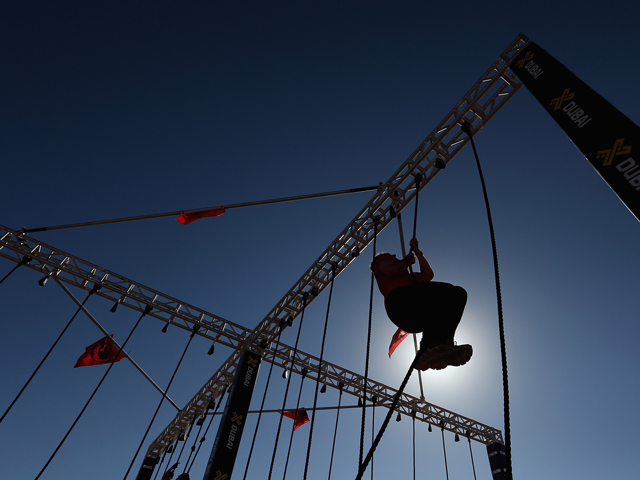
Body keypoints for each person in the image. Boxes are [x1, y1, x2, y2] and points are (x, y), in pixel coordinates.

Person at [371, 237, 472, 370]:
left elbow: (428, 275)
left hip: (412, 316)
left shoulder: (408, 278)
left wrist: (417, 252)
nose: (395, 257)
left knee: (456, 296)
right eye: (392, 258)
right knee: (449, 293)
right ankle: (435, 345)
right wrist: (406, 260)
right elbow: (393, 269)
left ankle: (436, 347)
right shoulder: (381, 261)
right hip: (399, 303)